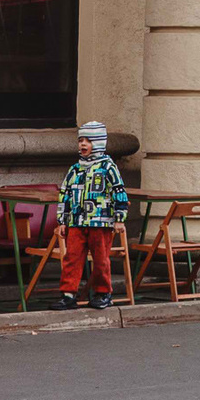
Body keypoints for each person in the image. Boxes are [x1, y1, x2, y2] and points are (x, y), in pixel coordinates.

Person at [56, 120, 126, 311]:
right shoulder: (75, 169)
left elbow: (119, 192)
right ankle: (68, 294)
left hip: (100, 222)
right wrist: (62, 220)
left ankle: (103, 293)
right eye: (81, 140)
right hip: (76, 222)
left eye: (88, 141)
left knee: (101, 258)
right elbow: (65, 194)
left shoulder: (108, 167)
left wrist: (119, 218)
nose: (83, 145)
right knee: (72, 257)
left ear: (99, 143)